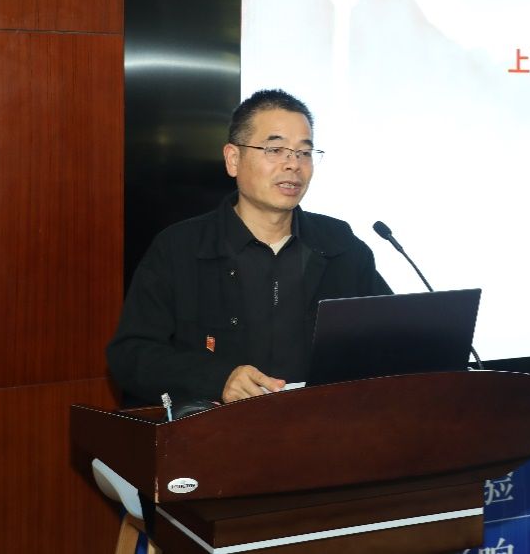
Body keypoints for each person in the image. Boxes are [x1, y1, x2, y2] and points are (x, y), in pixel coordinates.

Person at [107, 89, 390, 406]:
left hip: (323, 427)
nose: (293, 164)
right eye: (275, 150)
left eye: (304, 152)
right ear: (233, 159)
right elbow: (131, 355)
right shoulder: (180, 248)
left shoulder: (340, 246)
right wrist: (218, 380)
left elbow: (391, 338)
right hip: (218, 431)